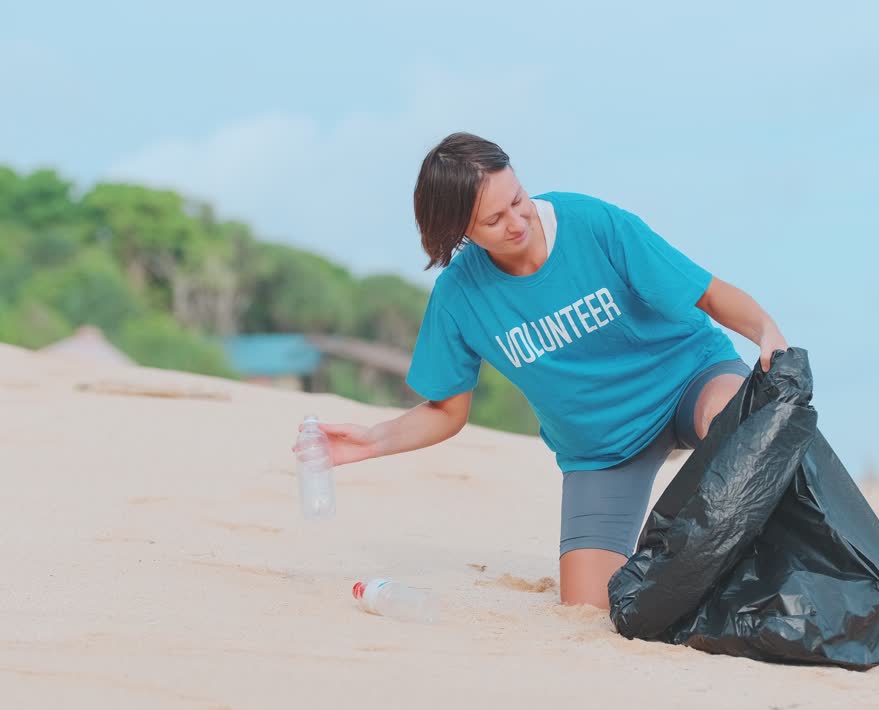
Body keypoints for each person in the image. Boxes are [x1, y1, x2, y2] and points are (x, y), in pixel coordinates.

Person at [306, 132, 788, 609]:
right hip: (601, 448)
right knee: (587, 608)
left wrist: (765, 330)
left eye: (518, 200)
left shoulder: (593, 224)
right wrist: (372, 440)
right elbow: (446, 411)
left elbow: (704, 291)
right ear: (460, 232)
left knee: (739, 424)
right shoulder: (459, 297)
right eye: (493, 220)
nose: (517, 221)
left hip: (689, 380)